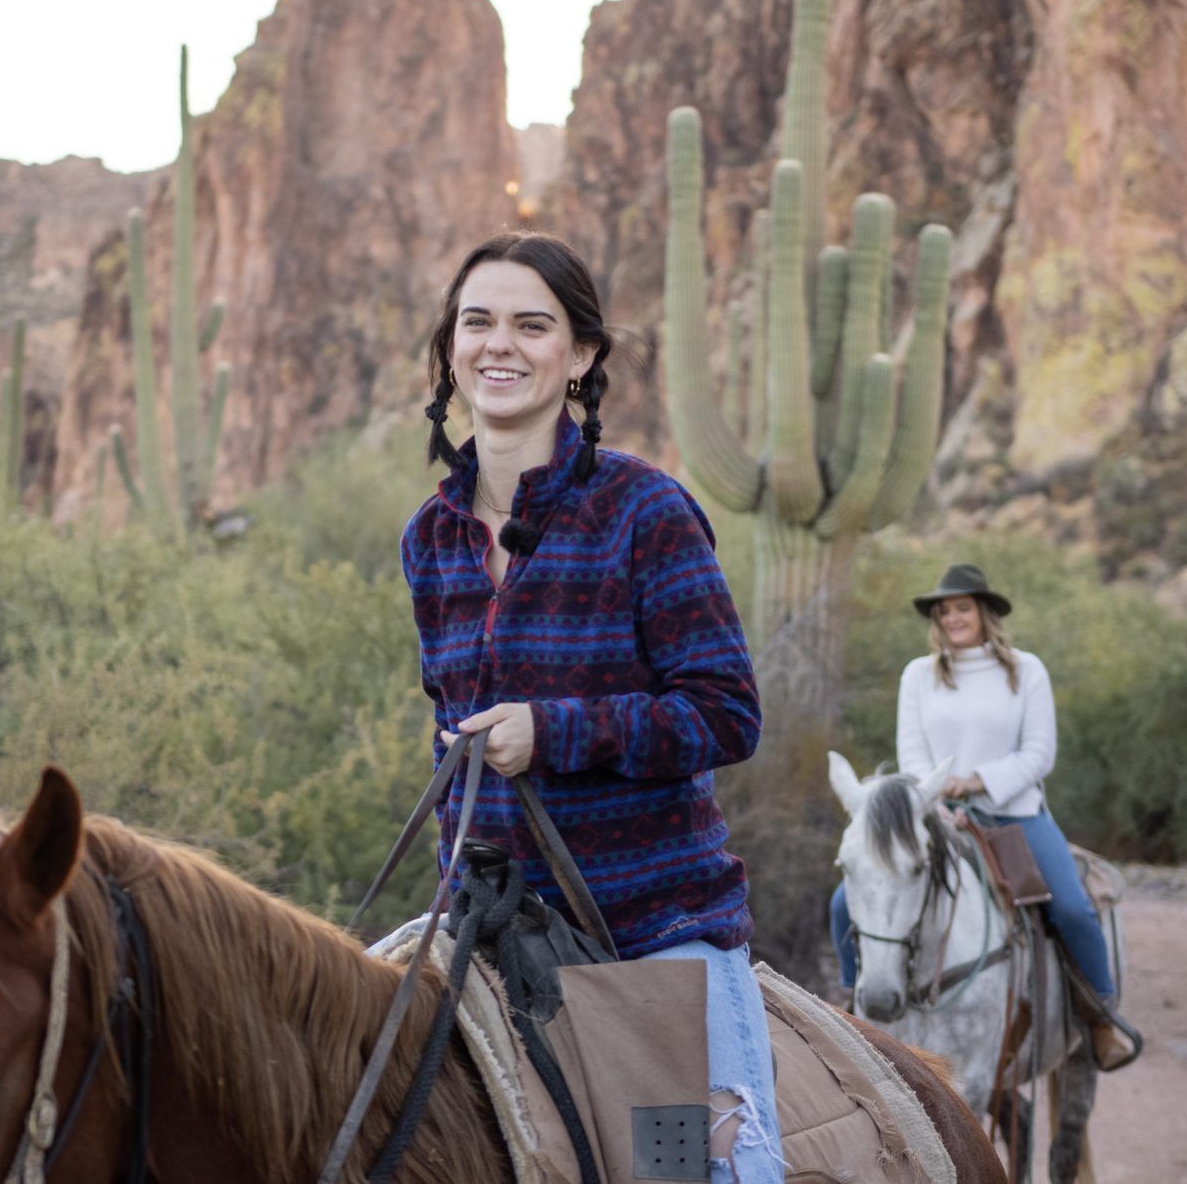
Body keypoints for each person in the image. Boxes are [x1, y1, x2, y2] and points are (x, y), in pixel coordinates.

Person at [400, 230, 783, 1181]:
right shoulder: (430, 536)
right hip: (485, 925)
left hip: (649, 927)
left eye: (534, 324)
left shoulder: (643, 511)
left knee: (713, 1177)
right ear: (451, 346)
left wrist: (553, 732)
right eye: (477, 321)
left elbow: (726, 712)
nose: (500, 344)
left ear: (579, 357)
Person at [828, 563, 1141, 1072]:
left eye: (962, 608)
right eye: (944, 611)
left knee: (1073, 908)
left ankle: (1100, 1017)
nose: (953, 618)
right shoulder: (918, 675)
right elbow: (911, 753)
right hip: (936, 816)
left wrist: (975, 783)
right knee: (845, 901)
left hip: (1014, 815)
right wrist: (934, 801)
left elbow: (1039, 754)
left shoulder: (1026, 669)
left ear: (984, 613)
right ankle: (853, 1007)